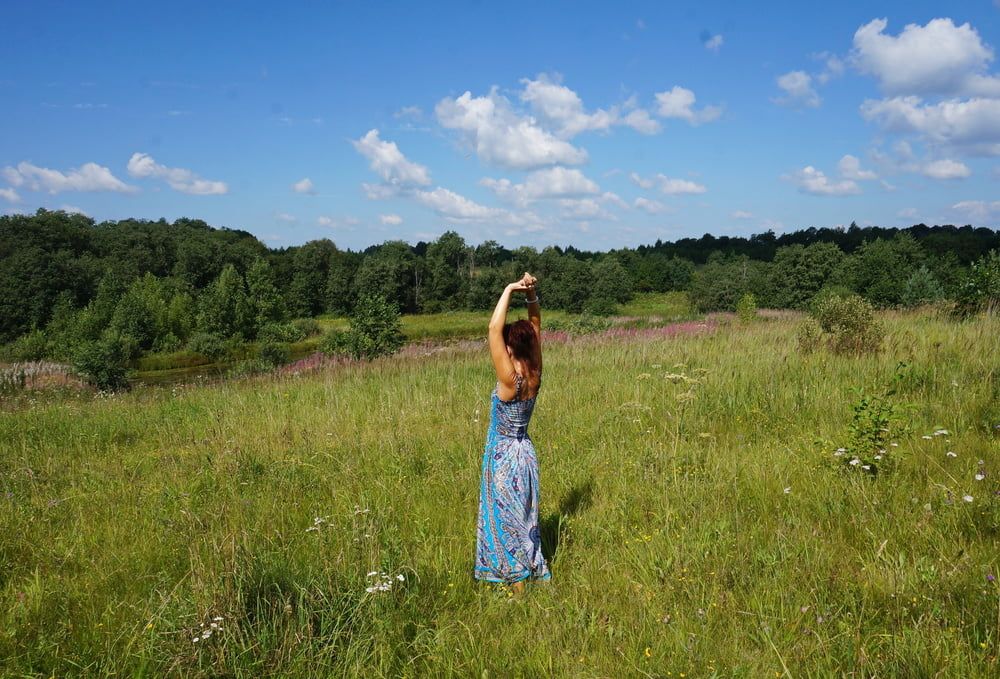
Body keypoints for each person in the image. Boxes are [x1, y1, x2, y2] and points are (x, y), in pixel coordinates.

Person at [474, 272, 550, 593]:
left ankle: (515, 583)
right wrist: (530, 294)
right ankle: (534, 571)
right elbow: (535, 326)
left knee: (504, 519)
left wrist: (508, 289)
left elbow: (492, 328)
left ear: (509, 345)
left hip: (504, 456)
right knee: (525, 517)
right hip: (525, 453)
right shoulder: (535, 371)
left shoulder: (510, 379)